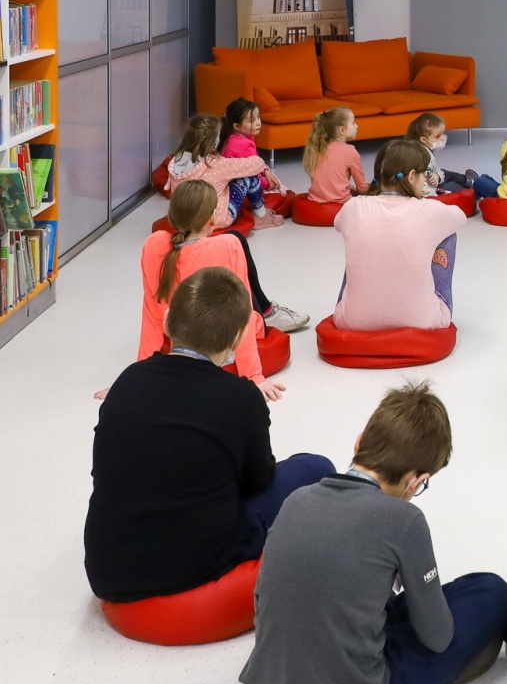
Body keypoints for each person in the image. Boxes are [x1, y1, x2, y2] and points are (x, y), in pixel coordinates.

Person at [239, 381, 507, 684]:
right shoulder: (404, 520)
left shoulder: (296, 500)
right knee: (492, 592)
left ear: (359, 443)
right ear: (416, 480)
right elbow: (437, 637)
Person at [85, 267, 335, 603]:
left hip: (107, 572)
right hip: (195, 566)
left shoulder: (126, 382)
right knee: (315, 468)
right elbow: (257, 482)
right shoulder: (241, 397)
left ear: (168, 320)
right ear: (237, 339)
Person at [137, 182, 305, 402]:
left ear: (172, 217)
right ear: (212, 218)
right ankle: (268, 311)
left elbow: (152, 313)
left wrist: (138, 376)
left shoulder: (154, 245)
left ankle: (267, 310)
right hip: (221, 340)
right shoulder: (228, 246)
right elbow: (242, 312)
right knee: (238, 244)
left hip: (180, 337)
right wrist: (254, 376)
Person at [334, 140, 466, 332]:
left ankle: (362, 306)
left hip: (351, 321)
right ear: (412, 176)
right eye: (423, 175)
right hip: (423, 321)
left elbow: (337, 223)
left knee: (359, 238)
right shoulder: (430, 210)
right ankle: (430, 303)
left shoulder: (353, 207)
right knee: (447, 233)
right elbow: (461, 217)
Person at [167, 114, 285, 228]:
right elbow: (256, 164)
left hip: (182, 219)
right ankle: (261, 215)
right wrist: (265, 168)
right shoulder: (215, 164)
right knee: (250, 176)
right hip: (213, 220)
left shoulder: (176, 160)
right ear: (214, 143)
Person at [218, 96, 286, 202]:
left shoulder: (231, 137)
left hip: (233, 186)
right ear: (237, 126)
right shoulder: (244, 145)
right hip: (241, 192)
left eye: (258, 117)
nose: (258, 122)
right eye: (251, 120)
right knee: (284, 195)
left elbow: (255, 162)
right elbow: (253, 175)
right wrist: (267, 185)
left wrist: (265, 170)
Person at [303, 107, 368, 205]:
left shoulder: (317, 148)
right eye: (353, 123)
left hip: (315, 202)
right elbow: (362, 188)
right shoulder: (350, 151)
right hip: (340, 205)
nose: (356, 126)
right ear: (342, 130)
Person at [405, 112, 476, 193]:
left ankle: (471, 182)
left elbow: (434, 170)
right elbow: (420, 187)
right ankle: (473, 189)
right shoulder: (418, 157)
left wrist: (437, 176)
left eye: (443, 133)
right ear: (424, 140)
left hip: (433, 184)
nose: (443, 138)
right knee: (452, 186)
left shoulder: (426, 149)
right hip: (430, 192)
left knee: (445, 173)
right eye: (437, 136)